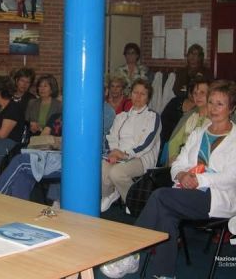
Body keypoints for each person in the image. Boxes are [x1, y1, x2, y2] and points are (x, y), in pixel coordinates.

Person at [101, 80, 236, 279]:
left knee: (161, 196)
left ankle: (131, 252)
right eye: (211, 103)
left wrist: (200, 180)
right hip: (186, 191)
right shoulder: (198, 133)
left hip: (217, 197)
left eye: (220, 104)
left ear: (231, 108)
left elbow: (231, 177)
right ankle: (164, 274)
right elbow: (179, 163)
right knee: (166, 212)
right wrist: (181, 175)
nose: (213, 108)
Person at [0, 102, 116, 201]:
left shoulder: (106, 110)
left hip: (81, 158)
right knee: (23, 170)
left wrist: (61, 141)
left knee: (21, 162)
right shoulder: (71, 109)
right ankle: (19, 212)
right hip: (60, 152)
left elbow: (88, 137)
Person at [101, 78, 161, 212]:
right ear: (130, 94)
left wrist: (125, 154)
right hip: (118, 155)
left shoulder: (153, 117)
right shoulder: (121, 116)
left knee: (117, 172)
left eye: (142, 94)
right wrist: (114, 151)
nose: (138, 97)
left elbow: (147, 143)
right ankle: (109, 194)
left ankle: (132, 201)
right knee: (102, 167)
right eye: (135, 93)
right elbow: (111, 136)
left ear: (148, 97)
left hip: (141, 158)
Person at [166, 78, 211, 165]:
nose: (198, 96)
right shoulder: (189, 116)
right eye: (195, 93)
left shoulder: (215, 119)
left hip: (201, 162)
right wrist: (173, 158)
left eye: (202, 93)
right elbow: (174, 141)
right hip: (180, 160)